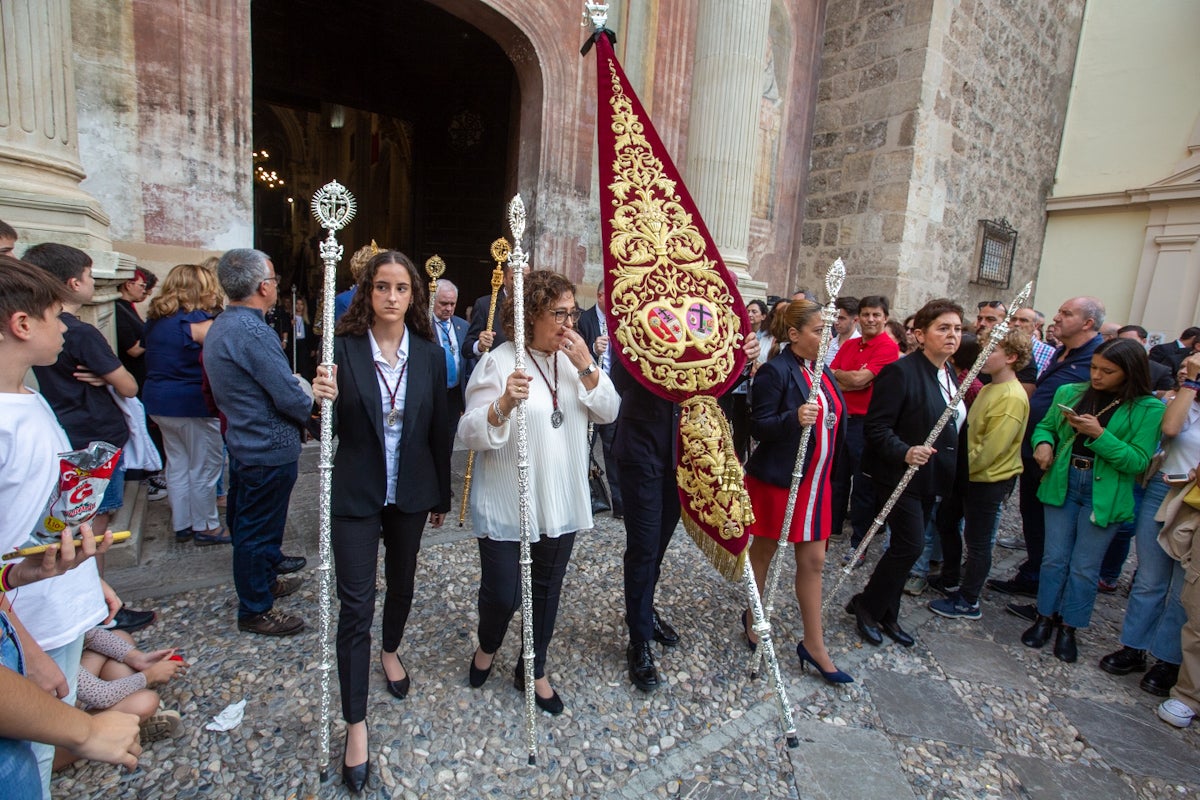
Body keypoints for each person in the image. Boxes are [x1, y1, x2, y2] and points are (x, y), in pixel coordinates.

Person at [459, 270, 619, 713]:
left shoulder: (573, 359)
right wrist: (502, 405)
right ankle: (488, 644)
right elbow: (470, 432)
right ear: (531, 316)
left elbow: (608, 411)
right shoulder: (500, 361)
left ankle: (534, 666)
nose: (569, 324)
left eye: (573, 313)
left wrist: (587, 365)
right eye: (558, 314)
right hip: (509, 498)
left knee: (548, 588)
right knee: (504, 592)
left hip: (560, 497)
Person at [0, 255, 130, 798]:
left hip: (55, 591)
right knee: (24, 754)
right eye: (58, 316)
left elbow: (49, 510)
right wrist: (21, 644)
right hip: (28, 623)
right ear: (22, 325)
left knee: (39, 750)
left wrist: (86, 574)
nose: (66, 328)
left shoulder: (28, 397)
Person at [328, 250, 451, 792]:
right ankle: (356, 723)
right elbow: (325, 425)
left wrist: (443, 494)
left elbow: (439, 430)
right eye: (383, 287)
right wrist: (318, 398)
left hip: (411, 490)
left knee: (402, 581)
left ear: (413, 296)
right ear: (367, 293)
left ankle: (391, 648)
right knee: (356, 603)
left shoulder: (428, 355)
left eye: (402, 288)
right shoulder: (341, 351)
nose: (393, 297)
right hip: (356, 491)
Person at [615, 321, 760, 692]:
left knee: (659, 544)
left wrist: (740, 358)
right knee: (644, 545)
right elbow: (622, 378)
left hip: (687, 454)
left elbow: (717, 384)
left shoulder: (702, 319)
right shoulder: (634, 317)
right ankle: (639, 640)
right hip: (643, 447)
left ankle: (643, 609)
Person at [204, 249, 338, 637]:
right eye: (275, 279)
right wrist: (312, 402)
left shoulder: (226, 325)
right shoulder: (250, 330)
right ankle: (255, 608)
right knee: (255, 527)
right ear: (264, 287)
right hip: (264, 445)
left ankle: (263, 581)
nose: (277, 286)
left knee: (255, 521)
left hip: (248, 441)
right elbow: (286, 393)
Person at [23, 244, 155, 635]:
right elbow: (129, 386)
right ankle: (99, 608)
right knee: (93, 525)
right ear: (72, 282)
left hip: (72, 426)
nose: (97, 283)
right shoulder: (79, 332)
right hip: (95, 437)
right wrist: (109, 378)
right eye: (90, 275)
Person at [1021, 339, 1164, 662]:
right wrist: (1043, 444)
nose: (1097, 376)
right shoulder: (1071, 392)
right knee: (1054, 557)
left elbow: (1138, 462)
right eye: (1094, 368)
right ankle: (1044, 616)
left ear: (1129, 373)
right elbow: (1045, 427)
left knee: (1084, 566)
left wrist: (1100, 435)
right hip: (1064, 480)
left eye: (1107, 371)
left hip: (1105, 492)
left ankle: (1070, 626)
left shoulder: (1148, 408)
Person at [740, 300, 851, 683]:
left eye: (828, 329)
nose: (828, 336)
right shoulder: (776, 371)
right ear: (794, 335)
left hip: (817, 485)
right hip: (780, 484)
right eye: (820, 330)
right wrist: (793, 418)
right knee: (765, 552)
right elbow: (760, 426)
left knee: (815, 562)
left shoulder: (825, 371)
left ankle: (814, 644)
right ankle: (754, 613)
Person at [846, 299, 966, 648]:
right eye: (943, 328)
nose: (952, 335)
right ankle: (868, 606)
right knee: (910, 545)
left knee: (905, 546)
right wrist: (905, 451)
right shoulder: (900, 372)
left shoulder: (950, 373)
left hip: (930, 477)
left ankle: (887, 612)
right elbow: (878, 427)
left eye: (957, 329)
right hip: (897, 475)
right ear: (919, 334)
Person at [989, 297, 1106, 609]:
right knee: (1032, 516)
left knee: (1053, 527)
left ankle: (1049, 593)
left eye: (1067, 314)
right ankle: (1034, 575)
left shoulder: (1096, 358)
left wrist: (1049, 441)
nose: (1057, 317)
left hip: (1060, 455)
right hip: (1035, 447)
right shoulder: (1062, 352)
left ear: (1088, 323)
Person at [1098, 352, 1199, 694]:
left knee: (1182, 589)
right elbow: (1170, 429)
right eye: (1185, 368)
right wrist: (1191, 385)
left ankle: (1168, 659)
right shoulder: (1178, 401)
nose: (1187, 371)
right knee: (1149, 578)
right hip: (1161, 490)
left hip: (1194, 501)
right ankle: (1134, 646)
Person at [928, 328, 1031, 620]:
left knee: (978, 540)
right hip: (966, 475)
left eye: (991, 352)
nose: (982, 357)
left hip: (986, 480)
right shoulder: (988, 388)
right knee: (947, 521)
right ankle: (950, 577)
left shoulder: (1011, 397)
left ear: (1011, 357)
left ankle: (969, 599)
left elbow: (990, 450)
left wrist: (957, 469)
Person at [143, 263, 228, 545]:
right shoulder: (200, 324)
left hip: (159, 400)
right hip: (192, 403)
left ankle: (183, 523)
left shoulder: (156, 320)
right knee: (204, 466)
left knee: (178, 463)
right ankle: (206, 526)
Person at [829, 295, 901, 556]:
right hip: (842, 419)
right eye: (867, 314)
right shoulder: (850, 345)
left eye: (876, 315)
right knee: (837, 477)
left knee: (863, 485)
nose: (871, 319)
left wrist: (847, 378)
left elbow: (860, 380)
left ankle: (859, 542)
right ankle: (832, 528)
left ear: (885, 318)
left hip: (865, 424)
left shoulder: (887, 347)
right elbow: (830, 375)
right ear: (859, 317)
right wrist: (851, 379)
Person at [577, 280, 624, 517]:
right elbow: (574, 352)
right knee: (584, 448)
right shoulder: (584, 320)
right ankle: (585, 499)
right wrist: (593, 348)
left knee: (613, 448)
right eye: (611, 296)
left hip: (612, 393)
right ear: (599, 296)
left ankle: (619, 502)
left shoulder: (620, 320)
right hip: (589, 392)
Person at [432, 278, 469, 446]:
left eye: (452, 304)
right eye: (444, 303)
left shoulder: (463, 325)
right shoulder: (422, 325)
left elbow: (468, 359)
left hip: (453, 396)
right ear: (433, 299)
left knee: (447, 441)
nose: (448, 308)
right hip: (431, 394)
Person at [1013, 307, 1055, 376]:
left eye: (1023, 320)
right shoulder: (1000, 346)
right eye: (1013, 319)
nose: (1016, 324)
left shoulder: (1049, 352)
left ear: (1035, 326)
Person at [824, 296, 860, 366]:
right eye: (835, 317)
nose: (836, 322)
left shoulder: (861, 346)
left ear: (855, 320)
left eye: (842, 318)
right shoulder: (829, 343)